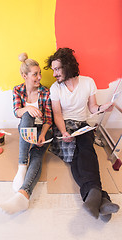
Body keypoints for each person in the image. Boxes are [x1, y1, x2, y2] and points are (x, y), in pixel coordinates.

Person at [44, 47, 120, 222]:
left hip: (83, 126)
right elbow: (57, 114)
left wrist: (103, 108)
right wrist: (63, 132)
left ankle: (93, 197)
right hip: (63, 127)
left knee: (86, 149)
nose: (54, 73)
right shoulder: (56, 88)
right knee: (77, 154)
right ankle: (101, 197)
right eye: (53, 69)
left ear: (68, 66)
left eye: (57, 69)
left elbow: (93, 108)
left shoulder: (88, 82)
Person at [0, 53, 52, 214]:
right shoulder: (18, 90)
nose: (39, 77)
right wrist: (28, 108)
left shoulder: (45, 92)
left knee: (37, 155)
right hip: (26, 129)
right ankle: (22, 165)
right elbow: (16, 112)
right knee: (26, 115)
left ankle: (23, 196)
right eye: (35, 74)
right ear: (24, 76)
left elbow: (48, 119)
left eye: (39, 73)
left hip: (42, 131)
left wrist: (42, 135)